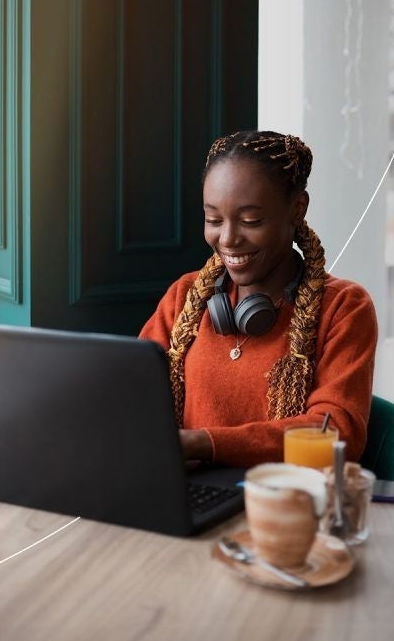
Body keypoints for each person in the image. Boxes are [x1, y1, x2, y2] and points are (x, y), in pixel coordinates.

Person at [139, 130, 378, 467]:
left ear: (297, 209)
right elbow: (133, 396)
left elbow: (335, 432)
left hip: (287, 500)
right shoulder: (185, 296)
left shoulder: (344, 307)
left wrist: (205, 444)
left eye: (250, 221)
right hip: (187, 495)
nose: (228, 239)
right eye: (213, 220)